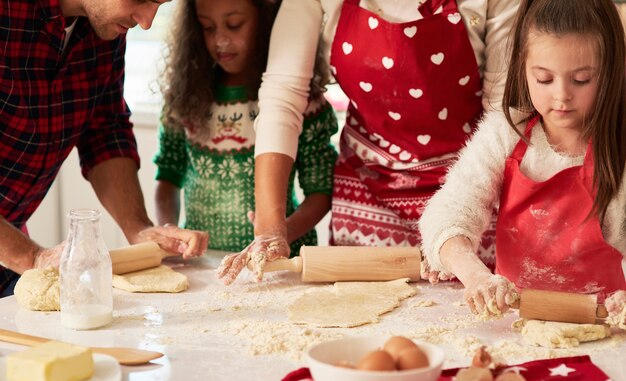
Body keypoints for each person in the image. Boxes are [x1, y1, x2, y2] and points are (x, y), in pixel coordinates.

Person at [216, 0, 520, 284]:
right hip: (366, 191)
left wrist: (454, 222)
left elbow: (503, 113)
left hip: (470, 190)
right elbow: (283, 96)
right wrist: (270, 228)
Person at [418, 0, 626, 320]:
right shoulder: (505, 134)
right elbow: (450, 209)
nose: (561, 96)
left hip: (604, 325)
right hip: (515, 323)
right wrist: (476, 276)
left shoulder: (619, 148)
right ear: (522, 68)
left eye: (581, 79)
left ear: (611, 71)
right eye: (544, 78)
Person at [0, 0, 209, 297]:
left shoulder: (104, 31)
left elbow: (104, 132)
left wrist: (138, 229)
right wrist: (30, 258)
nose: (147, 21)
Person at [153, 0, 338, 271]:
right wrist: (168, 231)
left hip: (280, 266)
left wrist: (279, 234)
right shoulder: (185, 100)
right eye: (207, 27)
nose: (220, 39)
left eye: (234, 24)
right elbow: (168, 176)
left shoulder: (302, 105)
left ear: (267, 22)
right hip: (202, 266)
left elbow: (321, 191)